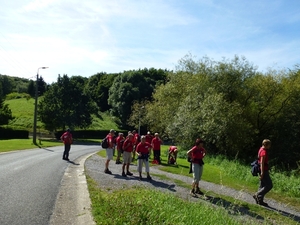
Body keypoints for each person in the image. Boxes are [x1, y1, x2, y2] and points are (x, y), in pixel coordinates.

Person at [253, 139, 273, 206]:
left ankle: (260, 200)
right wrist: (262, 172)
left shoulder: (261, 149)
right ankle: (257, 195)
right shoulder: (264, 152)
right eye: (269, 145)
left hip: (263, 169)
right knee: (269, 185)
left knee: (262, 185)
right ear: (266, 145)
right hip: (263, 170)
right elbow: (262, 162)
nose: (270, 146)